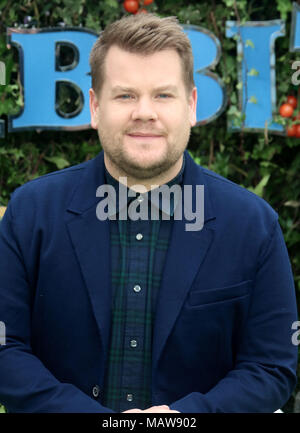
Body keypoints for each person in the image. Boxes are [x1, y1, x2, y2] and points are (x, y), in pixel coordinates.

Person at [0, 12, 298, 413]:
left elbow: (270, 366)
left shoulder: (253, 226)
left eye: (163, 94)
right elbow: (6, 350)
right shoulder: (30, 214)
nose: (144, 112)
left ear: (191, 105)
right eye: (125, 95)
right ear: (94, 106)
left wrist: (181, 420)